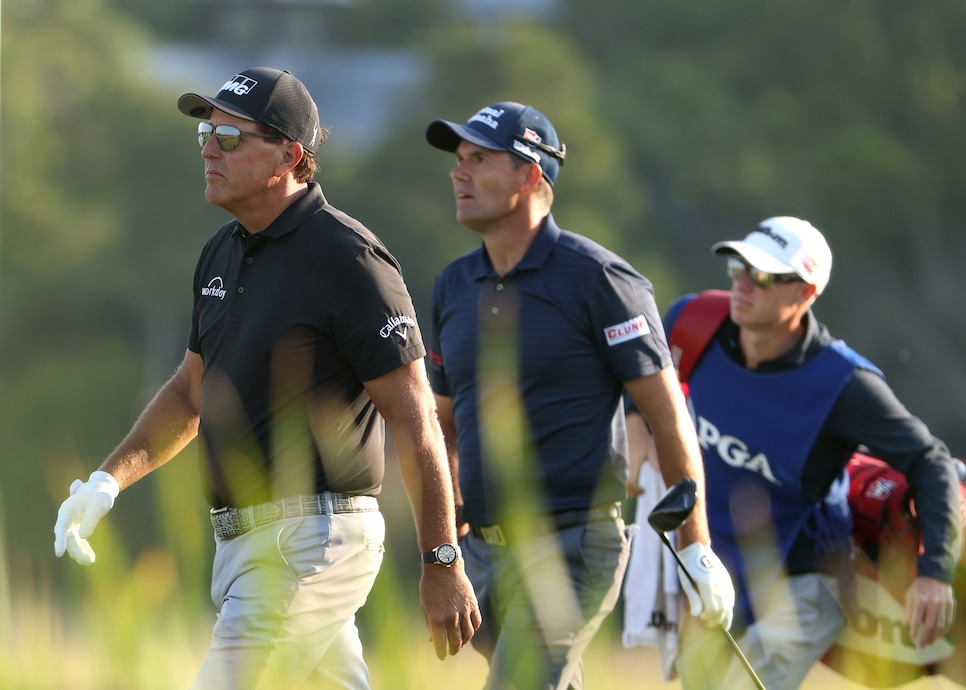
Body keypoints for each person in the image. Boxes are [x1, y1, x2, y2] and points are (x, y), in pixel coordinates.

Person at [53, 66, 481, 689]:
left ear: (290, 155)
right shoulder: (220, 252)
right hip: (241, 547)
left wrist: (441, 559)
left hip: (314, 540)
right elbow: (191, 392)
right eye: (205, 133)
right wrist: (107, 481)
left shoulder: (350, 259)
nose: (207, 148)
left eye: (230, 138)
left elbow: (414, 416)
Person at [424, 101, 735, 689]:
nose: (458, 173)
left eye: (479, 159)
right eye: (458, 160)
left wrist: (697, 550)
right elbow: (443, 428)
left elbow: (669, 420)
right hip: (485, 551)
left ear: (531, 175)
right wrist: (445, 538)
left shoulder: (601, 281)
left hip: (573, 543)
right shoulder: (452, 285)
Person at [638, 216, 962, 690]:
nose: (744, 285)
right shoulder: (693, 321)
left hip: (802, 585)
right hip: (707, 567)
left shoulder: (845, 384)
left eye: (765, 276)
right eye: (739, 268)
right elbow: (637, 384)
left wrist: (935, 572)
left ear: (805, 293)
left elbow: (931, 462)